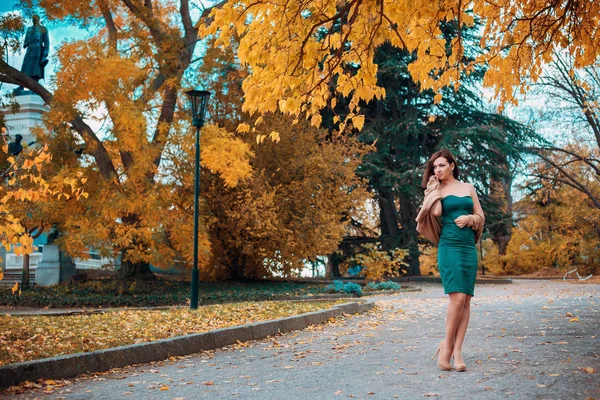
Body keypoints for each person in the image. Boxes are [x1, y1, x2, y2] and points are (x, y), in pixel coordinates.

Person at [415, 149, 485, 372]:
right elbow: (435, 213)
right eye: (435, 167)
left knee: (465, 300)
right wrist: (433, 190)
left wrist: (470, 218)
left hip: (467, 246)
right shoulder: (435, 189)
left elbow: (481, 216)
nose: (438, 170)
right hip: (449, 245)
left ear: (452, 166)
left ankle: (458, 352)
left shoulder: (468, 188)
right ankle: (446, 349)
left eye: (442, 165)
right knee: (456, 298)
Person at [13, 14, 49, 95]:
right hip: (29, 50)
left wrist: (45, 54)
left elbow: (46, 43)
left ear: (38, 19)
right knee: (25, 68)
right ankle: (21, 86)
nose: (34, 20)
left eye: (35, 19)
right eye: (33, 19)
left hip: (38, 50)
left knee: (35, 70)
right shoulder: (29, 29)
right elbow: (25, 42)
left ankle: (34, 88)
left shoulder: (43, 29)